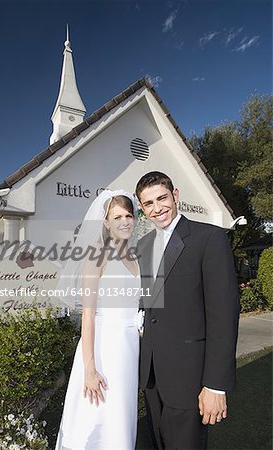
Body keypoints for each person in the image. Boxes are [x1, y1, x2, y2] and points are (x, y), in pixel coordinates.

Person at [135, 171, 240, 450]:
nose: (157, 208)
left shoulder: (209, 239)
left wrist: (215, 385)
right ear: (142, 209)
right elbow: (148, 306)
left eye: (162, 198)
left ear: (175, 195)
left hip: (189, 377)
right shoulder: (143, 247)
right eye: (148, 204)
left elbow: (224, 316)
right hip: (152, 375)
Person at [55, 189, 141, 450]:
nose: (124, 221)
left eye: (129, 215)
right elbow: (89, 316)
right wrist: (90, 369)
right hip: (104, 347)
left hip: (128, 348)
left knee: (121, 416)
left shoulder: (134, 256)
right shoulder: (97, 256)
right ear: (106, 222)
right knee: (98, 417)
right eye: (117, 217)